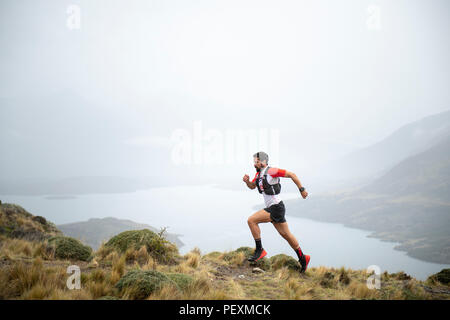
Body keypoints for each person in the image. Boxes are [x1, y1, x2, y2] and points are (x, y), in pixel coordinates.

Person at [242, 151, 310, 272]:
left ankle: (260, 250)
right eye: (254, 161)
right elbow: (253, 186)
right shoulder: (259, 175)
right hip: (276, 208)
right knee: (287, 235)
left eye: (256, 161)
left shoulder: (272, 171)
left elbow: (292, 174)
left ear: (263, 161)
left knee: (251, 220)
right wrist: (247, 182)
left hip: (276, 207)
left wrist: (302, 189)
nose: (254, 163)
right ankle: (303, 258)